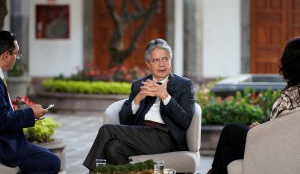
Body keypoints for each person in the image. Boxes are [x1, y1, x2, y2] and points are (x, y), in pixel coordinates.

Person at [83, 38, 196, 171]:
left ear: (171, 60)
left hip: (167, 137)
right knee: (113, 147)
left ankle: (92, 172)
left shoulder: (184, 85)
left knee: (106, 129)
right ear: (148, 64)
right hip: (141, 134)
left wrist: (165, 96)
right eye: (156, 60)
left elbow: (185, 121)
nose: (162, 64)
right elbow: (124, 120)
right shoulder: (139, 85)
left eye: (165, 59)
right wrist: (138, 98)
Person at [207, 37, 300, 174]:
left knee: (230, 130)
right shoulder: (295, 89)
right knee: (227, 154)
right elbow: (284, 122)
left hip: (278, 147)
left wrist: (261, 130)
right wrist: (262, 128)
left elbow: (286, 124)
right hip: (277, 141)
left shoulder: (295, 92)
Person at [0, 30, 61, 173]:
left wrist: (29, 114)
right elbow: (2, 119)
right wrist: (30, 113)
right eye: (16, 54)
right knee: (52, 163)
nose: (17, 57)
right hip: (5, 146)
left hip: (12, 141)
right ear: (6, 55)